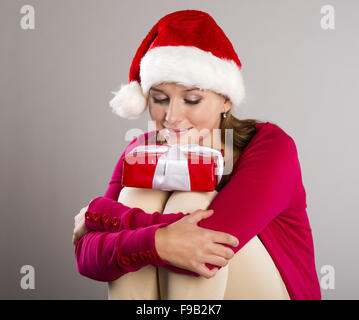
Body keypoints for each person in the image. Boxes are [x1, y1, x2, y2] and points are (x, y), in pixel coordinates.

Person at [72, 9, 321, 300]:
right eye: (159, 98)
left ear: (226, 99)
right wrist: (159, 241)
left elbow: (204, 250)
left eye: (192, 99)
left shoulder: (271, 145)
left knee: (191, 200)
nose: (172, 116)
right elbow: (88, 259)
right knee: (137, 195)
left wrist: (101, 215)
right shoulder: (140, 150)